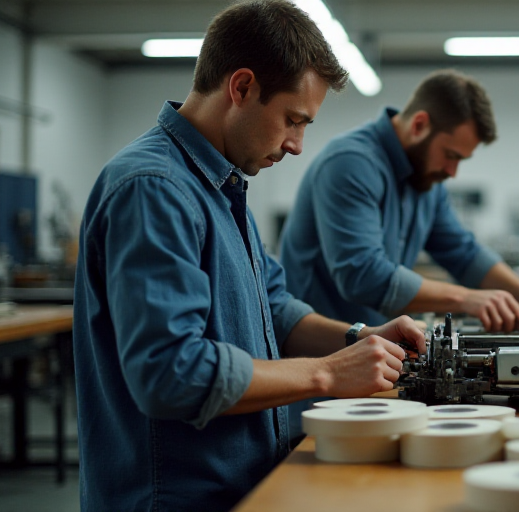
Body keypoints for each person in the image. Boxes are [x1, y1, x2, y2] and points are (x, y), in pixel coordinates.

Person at [72, 2, 425, 511]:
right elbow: (171, 374)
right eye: (293, 120)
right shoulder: (153, 189)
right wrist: (327, 373)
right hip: (175, 498)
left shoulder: (220, 184)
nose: (298, 145)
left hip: (241, 486)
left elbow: (274, 306)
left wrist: (360, 337)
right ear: (241, 88)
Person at [279, 69, 519, 333]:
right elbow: (362, 275)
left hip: (368, 350)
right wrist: (466, 298)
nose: (452, 172)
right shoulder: (351, 163)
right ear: (419, 125)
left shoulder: (426, 179)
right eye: (451, 155)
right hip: (317, 356)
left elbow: (462, 251)